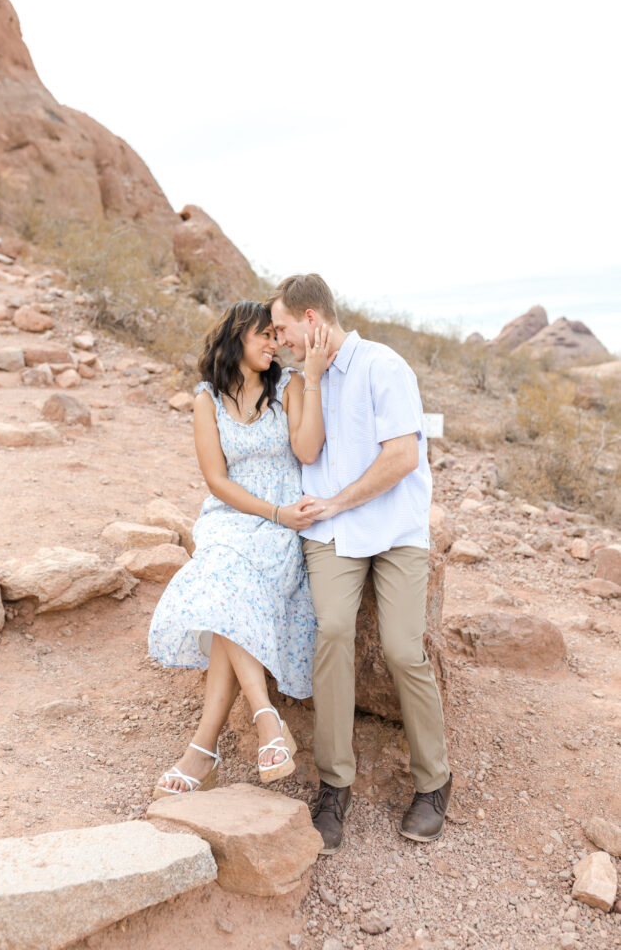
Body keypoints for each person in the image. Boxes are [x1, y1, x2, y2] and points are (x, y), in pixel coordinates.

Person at [269, 274, 451, 853]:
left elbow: (401, 457)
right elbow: (307, 452)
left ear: (312, 320)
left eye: (282, 329)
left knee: (401, 647)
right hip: (331, 531)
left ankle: (434, 782)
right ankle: (334, 784)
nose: (277, 341)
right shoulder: (303, 378)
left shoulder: (384, 366)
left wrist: (340, 500)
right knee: (333, 630)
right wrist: (313, 380)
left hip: (395, 528)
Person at [148, 299, 331, 795]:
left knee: (225, 590)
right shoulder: (206, 398)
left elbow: (307, 450)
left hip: (282, 524)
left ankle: (202, 749)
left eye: (276, 335)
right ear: (237, 338)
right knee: (225, 570)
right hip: (235, 517)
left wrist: (310, 378)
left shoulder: (288, 386)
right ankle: (265, 718)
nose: (274, 344)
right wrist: (269, 512)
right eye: (264, 336)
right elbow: (216, 480)